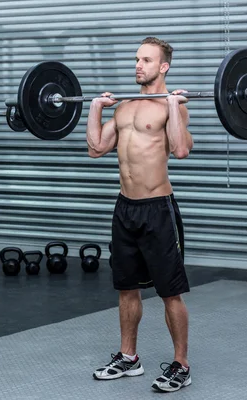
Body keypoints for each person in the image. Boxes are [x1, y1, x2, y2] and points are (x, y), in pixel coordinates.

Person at [87, 37, 194, 393]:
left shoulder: (169, 106)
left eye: (146, 60)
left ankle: (181, 364)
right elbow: (96, 149)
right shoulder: (125, 107)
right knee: (126, 288)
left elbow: (179, 150)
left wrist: (174, 106)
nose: (138, 66)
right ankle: (129, 357)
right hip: (125, 209)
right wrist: (95, 108)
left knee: (170, 292)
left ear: (164, 66)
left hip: (157, 210)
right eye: (137, 59)